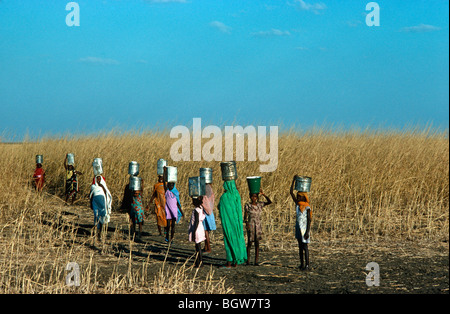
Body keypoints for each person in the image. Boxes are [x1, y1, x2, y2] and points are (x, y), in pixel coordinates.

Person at [218, 180, 247, 267]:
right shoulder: (236, 194)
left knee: (228, 239)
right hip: (237, 223)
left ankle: (229, 262)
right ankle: (236, 260)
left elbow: (220, 208)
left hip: (228, 224)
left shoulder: (224, 197)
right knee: (237, 238)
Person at [243, 189, 272, 266]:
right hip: (251, 225)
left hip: (258, 225)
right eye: (252, 196)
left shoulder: (259, 205)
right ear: (250, 197)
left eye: (255, 196)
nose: (254, 198)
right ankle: (248, 260)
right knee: (249, 243)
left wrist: (263, 194)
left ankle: (256, 261)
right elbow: (245, 217)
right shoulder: (247, 205)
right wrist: (247, 224)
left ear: (257, 197)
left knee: (257, 243)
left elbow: (269, 202)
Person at [290, 176, 312, 270]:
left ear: (303, 197)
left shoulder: (307, 207)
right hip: (298, 228)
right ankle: (302, 264)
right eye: (297, 196)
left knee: (305, 247)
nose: (298, 197)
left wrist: (307, 231)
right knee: (300, 246)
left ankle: (307, 265)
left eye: (300, 196)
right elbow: (291, 193)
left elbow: (309, 220)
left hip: (304, 229)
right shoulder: (298, 205)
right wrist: (293, 180)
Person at [162, 167, 184, 242]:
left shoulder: (175, 192)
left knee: (173, 226)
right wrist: (164, 172)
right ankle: (167, 236)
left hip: (174, 210)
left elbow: (178, 203)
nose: (170, 186)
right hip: (168, 209)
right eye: (169, 185)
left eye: (172, 185)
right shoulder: (167, 191)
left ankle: (171, 238)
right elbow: (164, 182)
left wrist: (181, 211)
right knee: (168, 225)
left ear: (173, 185)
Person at [89, 175, 112, 240]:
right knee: (96, 216)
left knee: (102, 217)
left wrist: (101, 186)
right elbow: (91, 195)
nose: (98, 180)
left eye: (99, 179)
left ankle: (100, 232)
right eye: (97, 179)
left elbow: (106, 195)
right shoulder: (93, 186)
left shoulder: (103, 186)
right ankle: (96, 232)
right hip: (95, 203)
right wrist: (91, 203)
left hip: (102, 204)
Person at [188, 196, 206, 268]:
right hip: (200, 228)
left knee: (197, 247)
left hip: (197, 229)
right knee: (198, 246)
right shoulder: (201, 208)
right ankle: (198, 262)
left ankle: (199, 262)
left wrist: (193, 232)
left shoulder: (196, 210)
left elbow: (196, 221)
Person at [201, 182, 216, 253]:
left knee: (205, 231)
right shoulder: (211, 192)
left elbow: (204, 202)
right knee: (206, 231)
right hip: (209, 213)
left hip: (205, 213)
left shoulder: (205, 194)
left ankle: (208, 248)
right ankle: (206, 247)